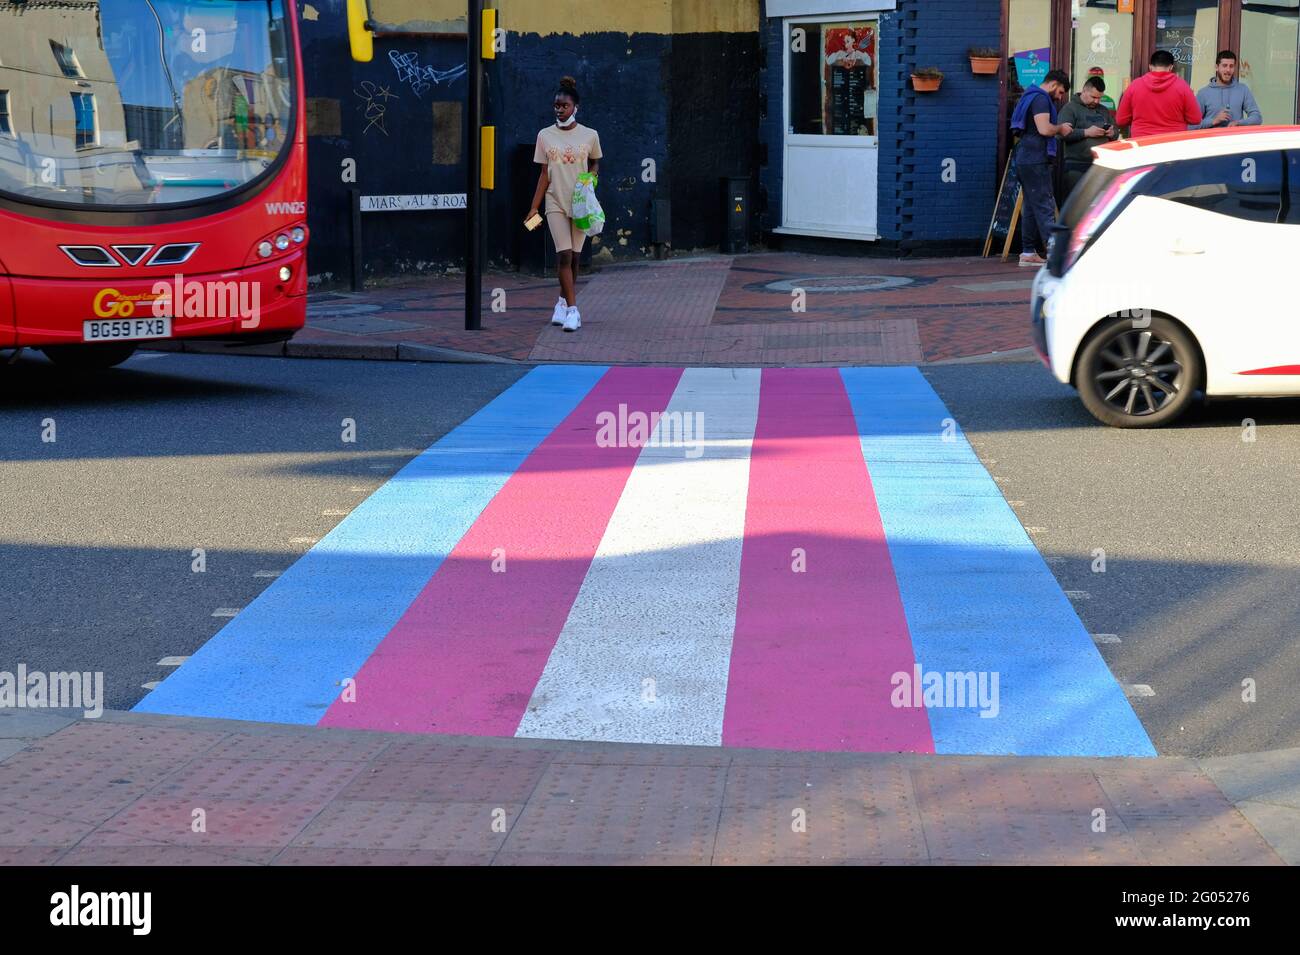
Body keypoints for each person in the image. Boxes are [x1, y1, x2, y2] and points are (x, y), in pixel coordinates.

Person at [528, 76, 601, 333]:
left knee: (577, 258)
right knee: (564, 255)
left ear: (575, 108)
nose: (559, 109)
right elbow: (543, 175)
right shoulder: (544, 136)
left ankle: (561, 302)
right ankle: (573, 311)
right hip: (555, 201)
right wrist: (533, 209)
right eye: (556, 105)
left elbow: (595, 163)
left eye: (564, 106)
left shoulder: (590, 135)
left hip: (580, 204)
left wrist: (592, 176)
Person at [1010, 69, 1073, 268]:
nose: (1060, 96)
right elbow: (1044, 129)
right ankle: (1056, 254)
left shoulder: (1029, 96)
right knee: (1045, 204)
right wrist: (1061, 128)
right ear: (1054, 84)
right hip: (1035, 158)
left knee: (1030, 205)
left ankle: (1028, 252)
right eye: (1061, 91)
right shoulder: (1041, 99)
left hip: (1024, 157)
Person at [1116, 49, 1202, 137]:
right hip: (1173, 142)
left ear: (1150, 66)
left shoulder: (1134, 86)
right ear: (1171, 67)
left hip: (1142, 142)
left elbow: (1121, 120)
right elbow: (1196, 119)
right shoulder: (1182, 86)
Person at [1058, 76, 1118, 196]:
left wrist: (1113, 133)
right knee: (1075, 206)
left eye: (1099, 98)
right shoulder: (1070, 108)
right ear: (1084, 90)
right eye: (1093, 97)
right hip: (1077, 166)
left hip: (1101, 166)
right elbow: (1061, 134)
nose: (1096, 101)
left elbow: (1115, 131)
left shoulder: (1103, 110)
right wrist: (1086, 132)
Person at [1193, 50, 1263, 129]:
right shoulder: (1203, 93)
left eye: (1231, 66)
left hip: (1235, 139)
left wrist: (1239, 123)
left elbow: (1257, 118)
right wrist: (1213, 121)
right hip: (1212, 140)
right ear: (1217, 67)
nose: (1228, 70)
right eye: (1224, 65)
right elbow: (1191, 125)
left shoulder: (1243, 90)